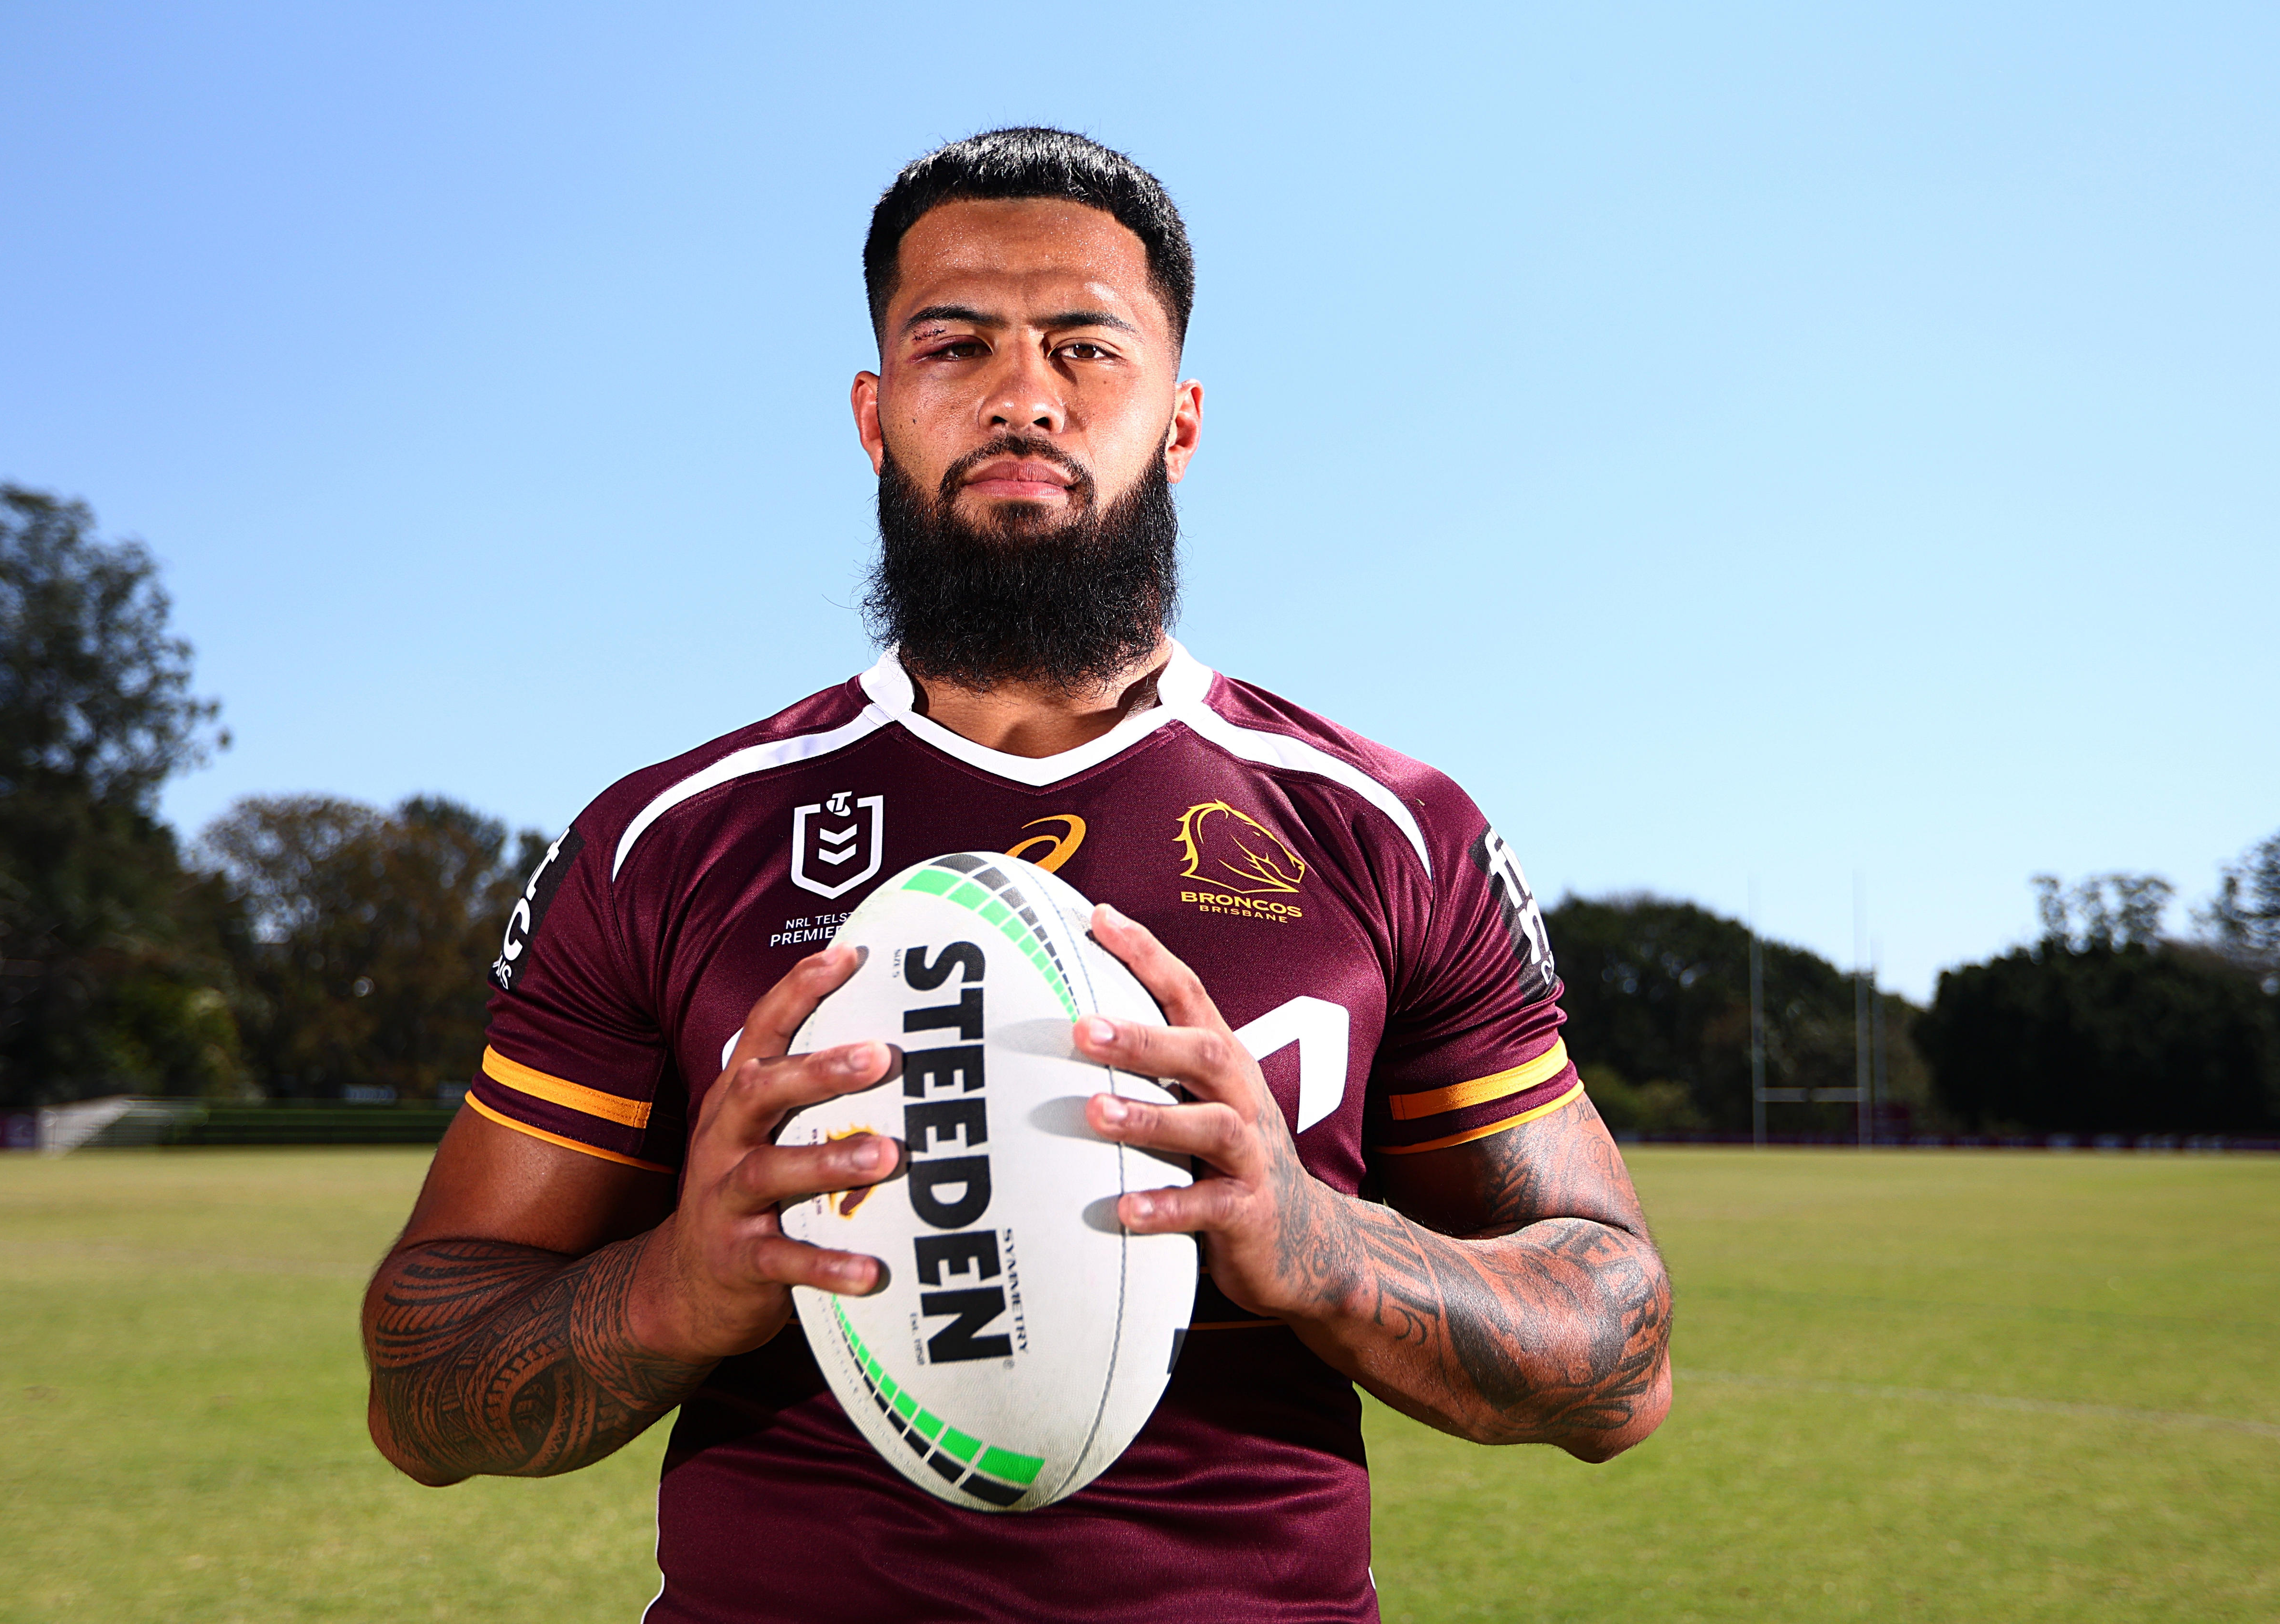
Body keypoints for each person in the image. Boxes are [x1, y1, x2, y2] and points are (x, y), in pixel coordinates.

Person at [362, 127, 1671, 1623]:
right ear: (875, 411)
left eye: (1084, 346)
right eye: (954, 341)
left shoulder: (1389, 829)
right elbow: (421, 1381)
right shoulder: (670, 839)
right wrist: (673, 1286)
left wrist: (1318, 1244)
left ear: (1180, 419)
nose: (1022, 392)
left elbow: (1622, 1359)